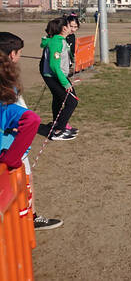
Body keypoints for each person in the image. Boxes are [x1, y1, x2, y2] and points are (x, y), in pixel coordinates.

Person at [0, 32, 63, 230]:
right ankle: (27, 221)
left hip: (12, 144)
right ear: (11, 55)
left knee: (25, 183)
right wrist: (13, 157)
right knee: (19, 187)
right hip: (9, 150)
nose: (20, 57)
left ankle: (31, 216)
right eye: (19, 53)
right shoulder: (5, 86)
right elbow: (30, 119)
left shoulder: (6, 81)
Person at [39, 17, 78, 141]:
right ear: (63, 28)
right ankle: (58, 130)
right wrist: (65, 83)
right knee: (72, 101)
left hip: (58, 76)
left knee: (58, 99)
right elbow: (54, 66)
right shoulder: (56, 41)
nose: (70, 28)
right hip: (54, 77)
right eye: (68, 25)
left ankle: (59, 124)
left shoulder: (61, 40)